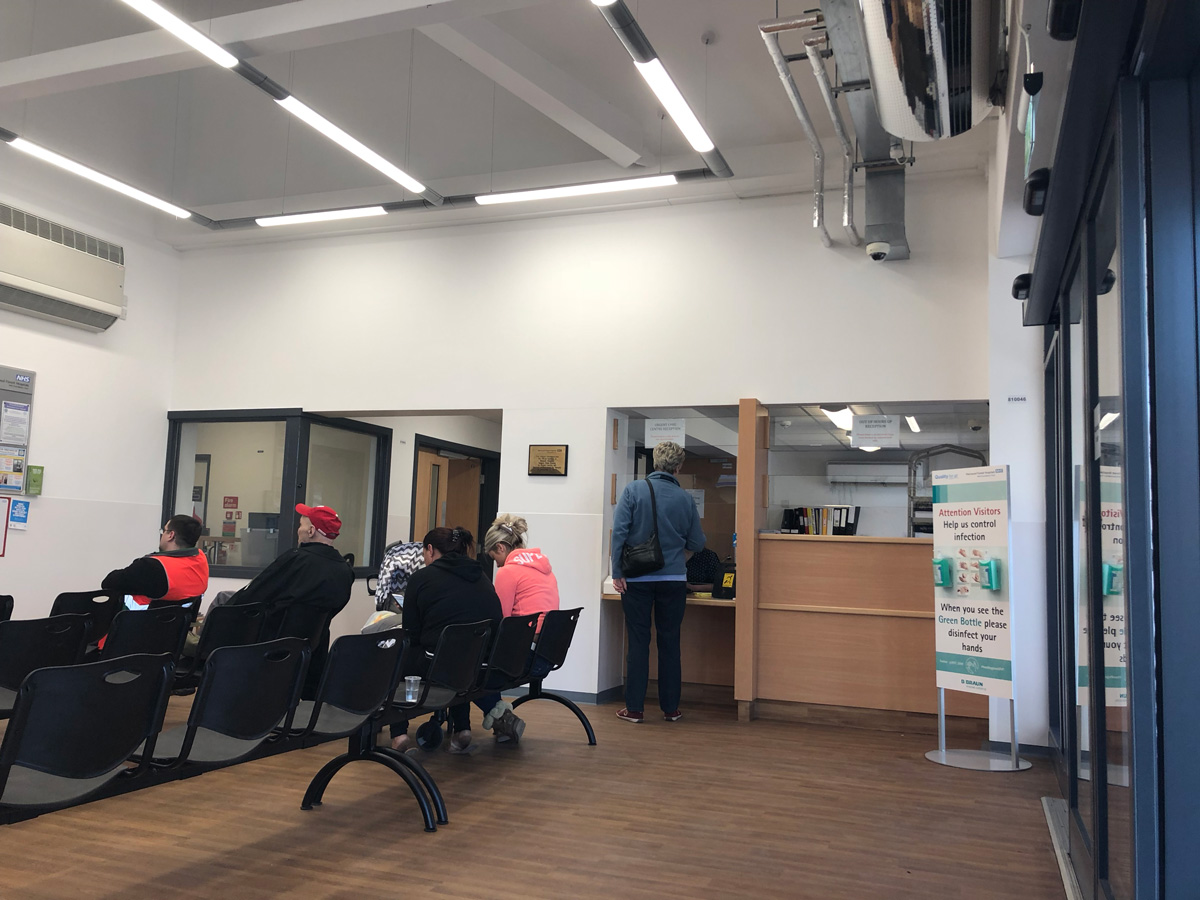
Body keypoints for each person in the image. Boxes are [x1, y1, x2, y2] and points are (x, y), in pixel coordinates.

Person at [391, 526, 521, 752]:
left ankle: (398, 734)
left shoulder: (421, 578)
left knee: (397, 655)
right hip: (481, 664)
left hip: (439, 664)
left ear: (430, 550)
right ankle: (462, 729)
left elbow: (411, 633)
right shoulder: (480, 575)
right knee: (460, 655)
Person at [610, 440, 705, 724]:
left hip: (637, 579)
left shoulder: (633, 490)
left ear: (655, 462)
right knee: (670, 641)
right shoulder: (685, 499)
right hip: (674, 579)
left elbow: (619, 533)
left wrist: (618, 572)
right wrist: (678, 555)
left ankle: (634, 709)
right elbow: (697, 542)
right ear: (679, 467)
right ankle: (671, 709)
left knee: (638, 641)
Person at [229, 503, 354, 698]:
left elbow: (252, 595)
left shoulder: (296, 560)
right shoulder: (345, 571)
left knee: (225, 608)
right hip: (312, 654)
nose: (298, 529)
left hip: (269, 644)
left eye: (301, 525)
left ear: (311, 531)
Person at [482, 513, 560, 681]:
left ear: (500, 547)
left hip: (526, 657)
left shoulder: (508, 572)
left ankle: (493, 701)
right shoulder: (544, 568)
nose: (497, 564)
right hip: (549, 652)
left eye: (495, 558)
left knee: (471, 664)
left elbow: (502, 619)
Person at [101, 514, 210, 608]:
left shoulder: (152, 566)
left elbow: (108, 583)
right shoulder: (201, 560)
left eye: (164, 531)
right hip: (179, 624)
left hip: (137, 622)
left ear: (171, 535)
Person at [374, 539, 425, 611]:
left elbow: (383, 583)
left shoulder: (393, 554)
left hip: (397, 602)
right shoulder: (424, 555)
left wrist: (380, 601)